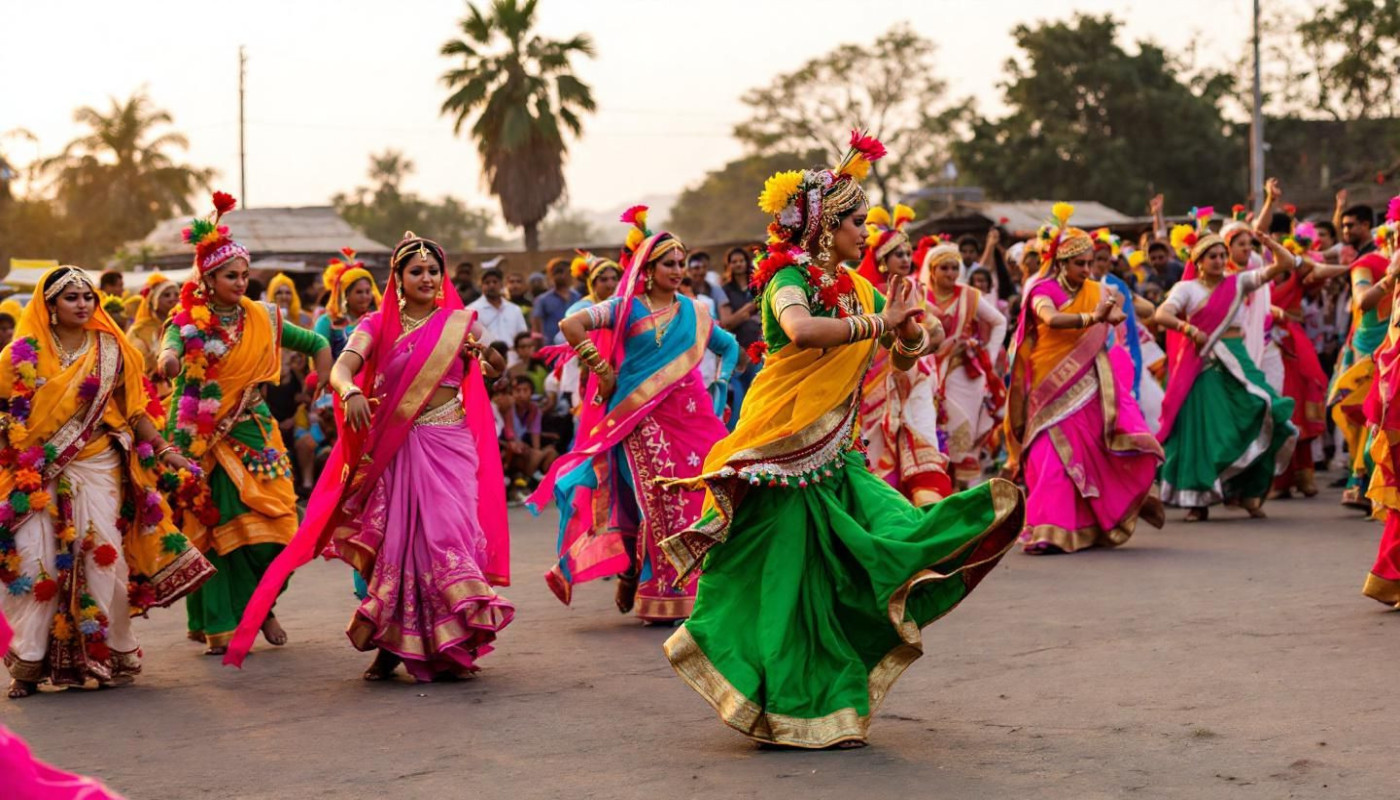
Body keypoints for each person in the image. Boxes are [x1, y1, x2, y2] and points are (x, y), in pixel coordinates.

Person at [660, 133, 1023, 749]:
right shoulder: (784, 281)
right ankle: (784, 699)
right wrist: (885, 321)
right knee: (785, 584)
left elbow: (909, 347)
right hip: (782, 447)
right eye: (857, 221)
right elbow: (802, 332)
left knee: (880, 543)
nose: (866, 231)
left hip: (833, 454)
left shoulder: (856, 285)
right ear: (825, 227)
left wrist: (912, 329)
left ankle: (830, 700)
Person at [224, 232, 512, 681]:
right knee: (397, 544)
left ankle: (453, 641)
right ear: (397, 278)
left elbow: (497, 364)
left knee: (446, 536)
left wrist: (487, 358)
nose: (426, 277)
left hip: (449, 443)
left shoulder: (461, 321)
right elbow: (341, 366)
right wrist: (351, 388)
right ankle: (393, 646)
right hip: (394, 448)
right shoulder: (377, 324)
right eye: (416, 271)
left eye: (433, 271)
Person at [2, 266, 214, 698]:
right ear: (50, 306)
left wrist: (167, 450)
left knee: (103, 561)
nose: (82, 305)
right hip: (36, 473)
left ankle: (99, 655)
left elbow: (135, 412)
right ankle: (27, 664)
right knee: (34, 559)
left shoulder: (113, 350)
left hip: (99, 466)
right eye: (71, 298)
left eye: (88, 297)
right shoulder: (19, 355)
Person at [529, 206, 738, 623]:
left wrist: (719, 387)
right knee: (654, 500)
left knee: (699, 500)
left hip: (692, 418)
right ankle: (652, 585)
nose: (678, 270)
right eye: (669, 264)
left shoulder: (696, 311)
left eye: (681, 264)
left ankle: (691, 588)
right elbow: (572, 324)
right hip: (638, 419)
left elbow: (728, 347)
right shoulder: (625, 307)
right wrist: (601, 368)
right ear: (648, 268)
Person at [157, 192, 331, 655]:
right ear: (208, 279)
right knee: (215, 531)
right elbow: (169, 350)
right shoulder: (188, 321)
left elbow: (315, 341)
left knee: (282, 531)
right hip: (200, 436)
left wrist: (325, 382)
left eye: (243, 274)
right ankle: (223, 624)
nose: (240, 282)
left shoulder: (263, 318)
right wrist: (172, 361)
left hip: (253, 430)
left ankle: (263, 605)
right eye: (230, 276)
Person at [1004, 206, 1163, 554]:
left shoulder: (1097, 289)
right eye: (1080, 264)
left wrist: (1112, 314)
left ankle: (1085, 526)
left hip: (1087, 382)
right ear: (1061, 263)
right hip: (1048, 383)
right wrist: (1094, 316)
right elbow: (1050, 318)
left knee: (1088, 453)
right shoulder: (1041, 289)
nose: (1088, 270)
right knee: (1047, 456)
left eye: (1091, 264)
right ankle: (1048, 530)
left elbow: (1119, 315)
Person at [1153, 222, 1298, 521]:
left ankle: (1247, 492)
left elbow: (1286, 264)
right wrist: (1189, 329)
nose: (1219, 261)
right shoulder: (1187, 288)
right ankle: (1199, 500)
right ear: (1199, 262)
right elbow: (1162, 314)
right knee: (1204, 431)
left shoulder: (1239, 282)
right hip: (1202, 363)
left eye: (1222, 255)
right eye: (1212, 256)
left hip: (1239, 359)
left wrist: (1269, 243)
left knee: (1264, 409)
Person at [854, 207, 952, 505]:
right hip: (876, 383)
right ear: (882, 261)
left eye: (908, 254)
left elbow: (935, 330)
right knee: (878, 443)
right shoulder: (865, 293)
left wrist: (921, 343)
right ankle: (890, 511)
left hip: (914, 377)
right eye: (898, 254)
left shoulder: (915, 290)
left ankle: (928, 508)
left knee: (922, 436)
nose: (907, 260)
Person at [922, 236, 1007, 488]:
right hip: (929, 374)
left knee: (964, 433)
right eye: (944, 268)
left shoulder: (969, 295)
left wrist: (988, 356)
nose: (951, 273)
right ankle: (940, 489)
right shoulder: (920, 296)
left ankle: (964, 492)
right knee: (933, 433)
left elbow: (999, 322)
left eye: (955, 268)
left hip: (965, 375)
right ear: (932, 271)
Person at [1270, 223, 1331, 498]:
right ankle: (1279, 480)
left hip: (1294, 347)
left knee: (1299, 408)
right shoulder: (1258, 279)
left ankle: (1305, 475)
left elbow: (1315, 272)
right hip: (1267, 346)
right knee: (1278, 410)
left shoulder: (1298, 275)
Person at [718, 246, 763, 429]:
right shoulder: (725, 290)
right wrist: (749, 309)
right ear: (728, 265)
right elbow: (726, 323)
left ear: (747, 263)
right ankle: (736, 434)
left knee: (757, 394)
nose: (738, 264)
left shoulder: (758, 286)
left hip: (759, 348)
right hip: (737, 350)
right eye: (733, 261)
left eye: (741, 261)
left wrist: (741, 316)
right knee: (738, 395)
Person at [314, 248, 382, 361]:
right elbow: (319, 359)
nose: (365, 297)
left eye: (368, 291)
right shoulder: (327, 322)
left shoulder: (377, 320)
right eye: (359, 292)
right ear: (345, 296)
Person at [468, 267, 530, 361]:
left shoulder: (514, 309)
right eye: (487, 282)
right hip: (485, 361)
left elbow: (523, 335)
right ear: (481, 286)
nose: (492, 285)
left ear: (502, 284)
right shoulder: (472, 310)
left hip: (513, 359)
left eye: (495, 282)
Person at [127, 273, 179, 384]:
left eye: (176, 294)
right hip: (150, 386)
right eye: (166, 295)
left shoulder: (182, 325)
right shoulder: (139, 330)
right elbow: (137, 363)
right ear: (153, 301)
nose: (173, 298)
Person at [531, 258, 580, 344]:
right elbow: (537, 328)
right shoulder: (542, 300)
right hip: (551, 349)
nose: (561, 275)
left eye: (567, 272)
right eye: (557, 272)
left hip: (575, 348)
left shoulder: (577, 297)